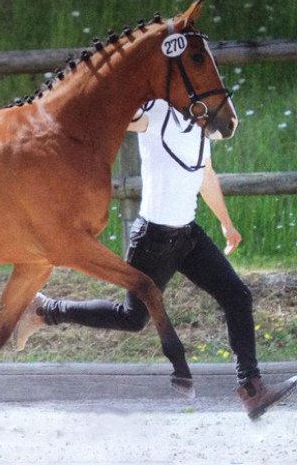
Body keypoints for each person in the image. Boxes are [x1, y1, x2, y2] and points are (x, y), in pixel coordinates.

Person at [15, 99, 297, 420]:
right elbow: (117, 111)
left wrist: (226, 223)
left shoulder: (200, 123)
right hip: (153, 240)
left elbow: (206, 174)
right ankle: (44, 310)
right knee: (132, 319)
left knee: (237, 295)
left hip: (188, 236)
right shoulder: (154, 112)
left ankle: (252, 389)